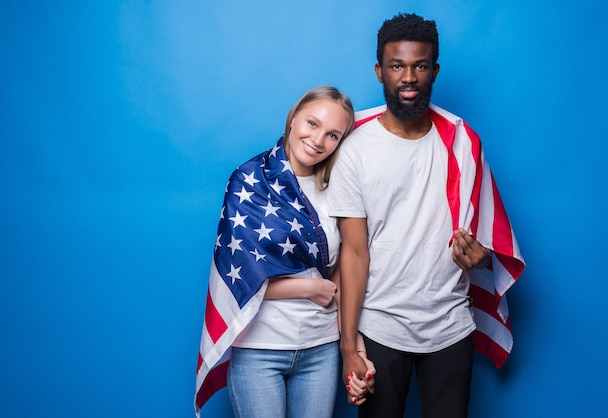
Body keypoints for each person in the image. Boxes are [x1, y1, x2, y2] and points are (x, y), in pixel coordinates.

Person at [327, 13, 525, 418]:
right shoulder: (355, 147)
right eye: (397, 66)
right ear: (380, 71)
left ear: (434, 70)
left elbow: (487, 240)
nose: (409, 77)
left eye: (419, 65)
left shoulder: (462, 141)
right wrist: (349, 347)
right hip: (380, 324)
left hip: (450, 324)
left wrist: (480, 257)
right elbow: (354, 251)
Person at [194, 86, 373, 418]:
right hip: (260, 349)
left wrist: (354, 342)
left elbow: (343, 264)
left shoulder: (339, 187)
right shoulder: (248, 180)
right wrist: (309, 288)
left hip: (321, 349)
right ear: (293, 119)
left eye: (333, 135)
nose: (318, 140)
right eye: (312, 123)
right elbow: (237, 278)